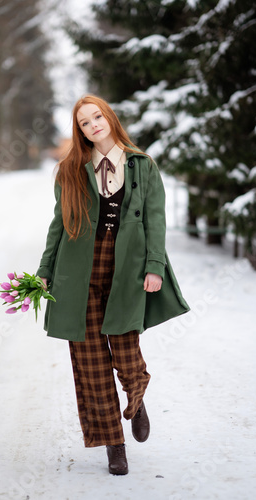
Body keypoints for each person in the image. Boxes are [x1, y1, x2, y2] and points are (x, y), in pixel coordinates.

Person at [36, 95, 189, 475]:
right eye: (84, 122)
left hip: (127, 269)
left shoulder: (142, 165)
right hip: (78, 271)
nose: (92, 125)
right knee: (90, 363)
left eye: (97, 117)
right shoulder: (70, 170)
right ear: (80, 131)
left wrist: (154, 266)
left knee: (125, 351)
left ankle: (135, 400)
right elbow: (59, 225)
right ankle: (114, 445)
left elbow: (156, 220)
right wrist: (44, 271)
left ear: (109, 118)